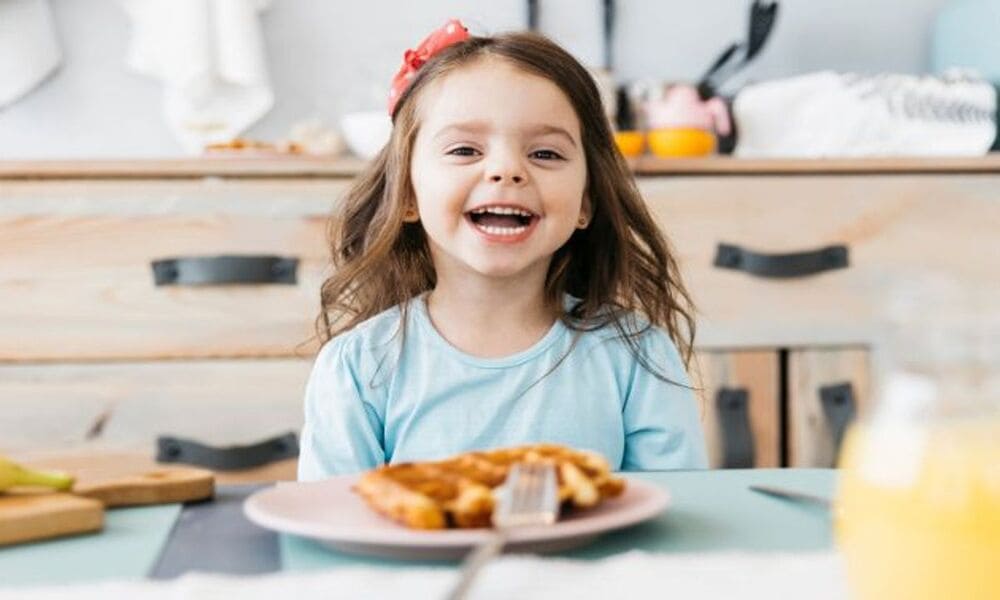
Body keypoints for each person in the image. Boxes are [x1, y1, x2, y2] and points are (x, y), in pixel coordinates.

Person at [298, 19, 708, 479]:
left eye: (546, 154)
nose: (506, 170)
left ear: (585, 203)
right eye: (465, 150)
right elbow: (335, 526)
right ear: (407, 195)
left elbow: (671, 523)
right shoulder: (356, 368)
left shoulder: (637, 357)